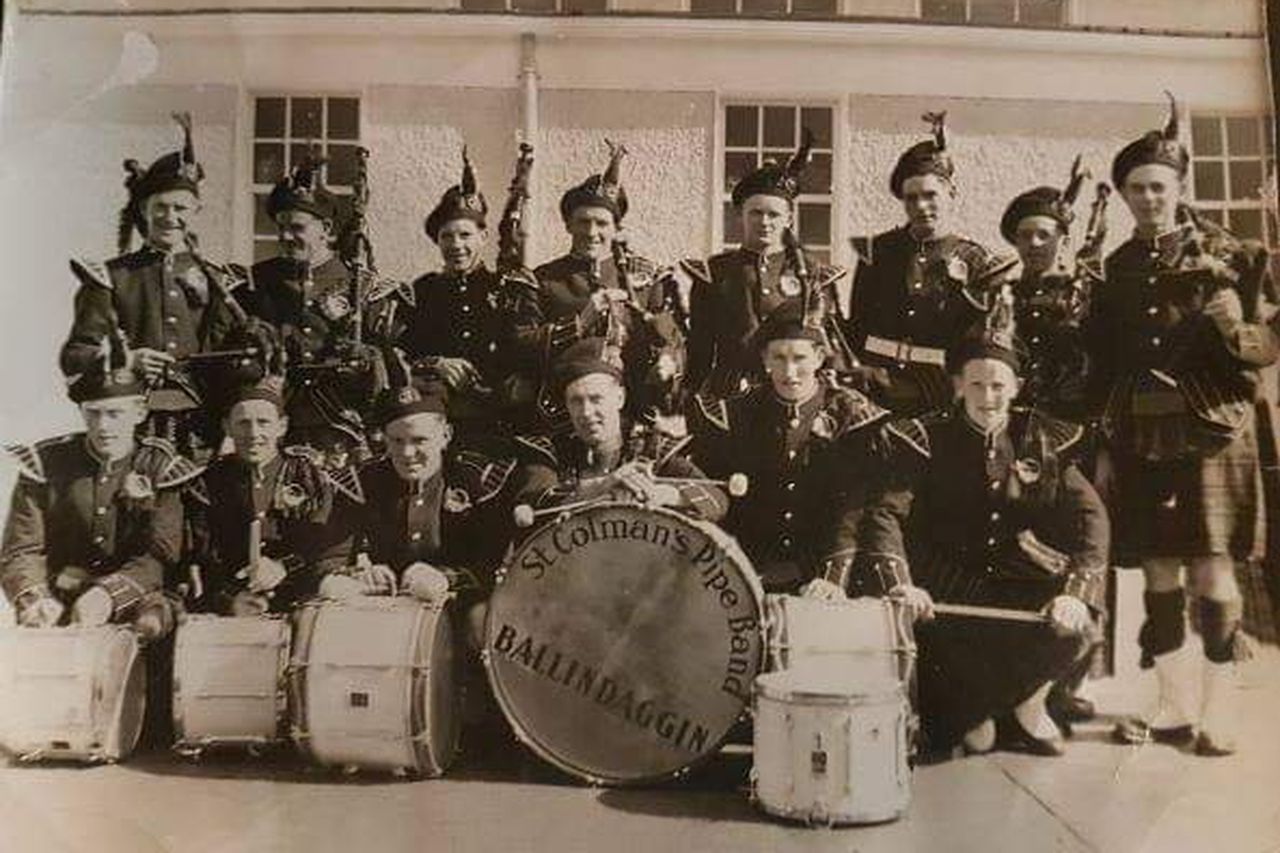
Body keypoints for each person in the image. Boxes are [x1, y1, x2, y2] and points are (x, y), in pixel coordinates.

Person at [1089, 94, 1277, 756]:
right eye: (1136, 188)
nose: (1148, 199)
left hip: (1214, 436)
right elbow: (1109, 363)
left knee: (1212, 572)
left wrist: (1233, 325)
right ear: (1124, 194)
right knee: (1160, 570)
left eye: (1158, 187)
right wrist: (1109, 444)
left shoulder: (1232, 254)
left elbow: (1267, 343)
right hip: (1144, 436)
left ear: (1178, 187)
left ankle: (1218, 710)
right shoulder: (1118, 268)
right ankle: (1172, 704)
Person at [856, 303, 1109, 756]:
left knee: (1079, 626)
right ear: (958, 386)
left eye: (998, 385)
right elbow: (885, 514)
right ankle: (988, 714)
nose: (987, 396)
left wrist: (1075, 592)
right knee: (976, 738)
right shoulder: (925, 437)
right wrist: (903, 585)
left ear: (1016, 387)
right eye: (976, 384)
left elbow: (1092, 519)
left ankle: (1029, 704)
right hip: (948, 588)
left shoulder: (1042, 438)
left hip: (1016, 582)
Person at [60, 112, 263, 459]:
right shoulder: (110, 277)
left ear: (196, 209)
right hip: (131, 423)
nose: (170, 217)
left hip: (201, 424)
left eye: (180, 207)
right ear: (143, 209)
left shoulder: (222, 280)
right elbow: (75, 355)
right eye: (161, 207)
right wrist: (129, 358)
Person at [1000, 158, 1109, 729]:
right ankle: (1025, 674)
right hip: (1018, 434)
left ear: (1061, 239)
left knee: (1081, 544)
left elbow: (1100, 359)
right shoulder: (1002, 296)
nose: (1035, 243)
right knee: (1023, 540)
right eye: (1025, 235)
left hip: (1072, 434)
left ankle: (1070, 680)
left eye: (1045, 234)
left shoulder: (1084, 293)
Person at [691, 300, 889, 596]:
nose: (790, 371)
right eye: (779, 358)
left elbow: (852, 509)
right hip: (747, 570)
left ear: (820, 357)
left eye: (800, 358)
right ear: (765, 359)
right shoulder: (737, 415)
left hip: (821, 574)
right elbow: (715, 488)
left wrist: (832, 579)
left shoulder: (850, 414)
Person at [1, 343, 194, 637]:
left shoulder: (160, 466)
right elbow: (22, 549)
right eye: (93, 414)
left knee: (152, 626)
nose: (103, 426)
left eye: (115, 413)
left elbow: (160, 555)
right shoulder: (46, 465)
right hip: (60, 601)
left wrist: (108, 595)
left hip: (141, 601)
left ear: (140, 412)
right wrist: (34, 599)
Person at [846, 111, 1015, 416]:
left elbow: (984, 341)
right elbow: (858, 326)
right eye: (911, 198)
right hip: (874, 388)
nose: (921, 206)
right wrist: (861, 372)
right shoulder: (877, 252)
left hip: (938, 392)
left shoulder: (977, 262)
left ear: (951, 193)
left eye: (930, 195)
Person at [242, 152, 402, 472]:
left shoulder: (362, 284)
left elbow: (390, 362)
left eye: (297, 228)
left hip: (340, 426)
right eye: (281, 228)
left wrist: (367, 360)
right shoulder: (257, 282)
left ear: (325, 228)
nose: (286, 237)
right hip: (277, 424)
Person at [511, 141, 684, 431]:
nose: (591, 233)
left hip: (635, 410)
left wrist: (669, 360)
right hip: (566, 413)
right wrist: (579, 322)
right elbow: (521, 345)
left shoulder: (649, 276)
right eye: (583, 222)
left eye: (601, 223)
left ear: (616, 229)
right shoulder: (542, 280)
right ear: (568, 225)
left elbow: (675, 336)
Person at [684, 129, 851, 400]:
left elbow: (828, 341)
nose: (764, 222)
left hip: (795, 392)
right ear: (741, 215)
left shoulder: (811, 272)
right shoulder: (715, 273)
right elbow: (700, 347)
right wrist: (692, 396)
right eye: (756, 213)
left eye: (773, 214)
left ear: (788, 219)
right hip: (732, 393)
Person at [398, 149, 539, 437]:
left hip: (498, 419)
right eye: (446, 236)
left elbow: (527, 352)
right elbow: (402, 354)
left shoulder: (508, 288)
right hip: (436, 417)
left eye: (465, 235)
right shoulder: (422, 290)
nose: (455, 245)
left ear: (483, 237)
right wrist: (437, 364)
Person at [513, 337, 727, 522]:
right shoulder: (551, 452)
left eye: (596, 399)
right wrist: (603, 485)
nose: (586, 412)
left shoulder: (652, 448)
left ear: (619, 398)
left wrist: (664, 494)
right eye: (576, 401)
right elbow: (536, 503)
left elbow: (716, 499)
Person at [188, 377, 350, 616]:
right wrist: (229, 598)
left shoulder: (310, 478)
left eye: (263, 422)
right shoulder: (208, 483)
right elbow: (201, 557)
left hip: (300, 600)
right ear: (227, 427)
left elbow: (324, 547)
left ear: (282, 426)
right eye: (243, 423)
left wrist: (283, 567)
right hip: (232, 606)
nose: (253, 433)